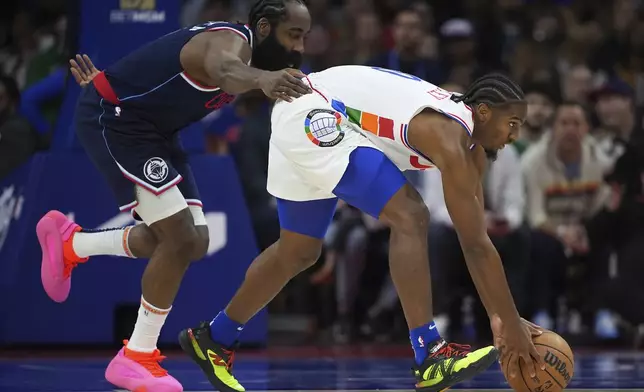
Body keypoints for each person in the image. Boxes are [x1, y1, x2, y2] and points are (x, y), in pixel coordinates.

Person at [179, 66, 546, 392]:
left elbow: (475, 240)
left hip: (312, 111)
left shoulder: (468, 148)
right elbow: (476, 247)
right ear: (483, 112)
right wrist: (510, 325)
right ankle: (429, 353)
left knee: (299, 251)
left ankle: (215, 337)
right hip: (318, 112)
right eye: (512, 123)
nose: (515, 135)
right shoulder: (449, 135)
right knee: (410, 214)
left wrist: (504, 320)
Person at [35, 1, 312, 391]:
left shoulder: (248, 53)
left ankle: (73, 243)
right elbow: (225, 71)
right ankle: (136, 356)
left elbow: (158, 64)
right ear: (263, 27)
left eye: (304, 37)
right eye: (294, 35)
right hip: (118, 121)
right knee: (180, 237)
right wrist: (263, 80)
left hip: (156, 132)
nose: (300, 47)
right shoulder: (228, 43)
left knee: (193, 242)